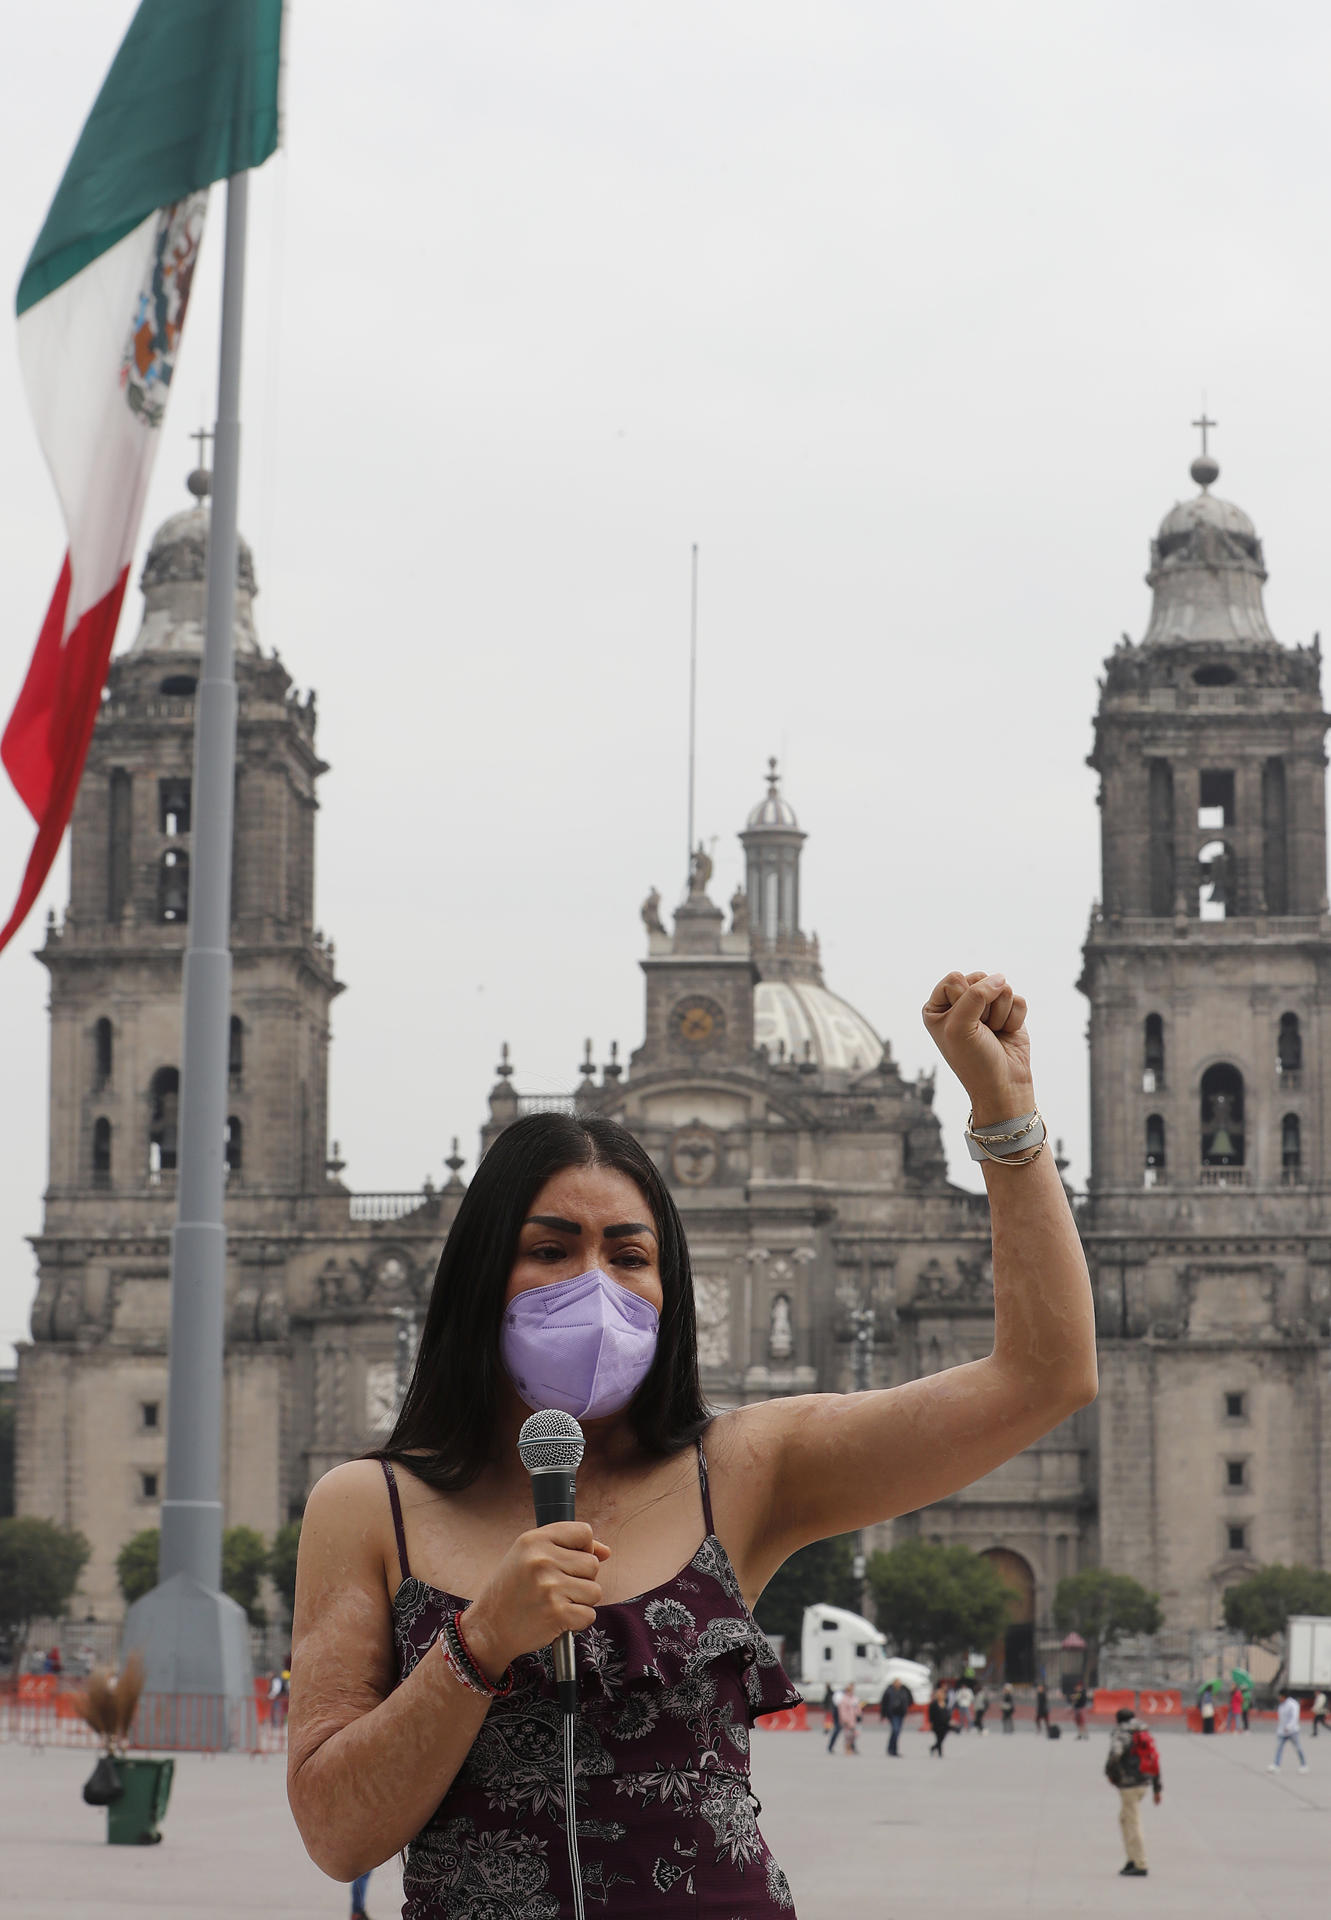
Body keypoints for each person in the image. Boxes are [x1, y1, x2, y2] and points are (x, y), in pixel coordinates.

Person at [287, 973, 1097, 1916]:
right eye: (551, 1250)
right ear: (476, 1275)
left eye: (630, 1256)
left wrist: (1006, 1111)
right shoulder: (369, 1506)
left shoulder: (744, 1471)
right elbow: (336, 1833)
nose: (596, 1285)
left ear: (673, 1294)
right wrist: (476, 1644)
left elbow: (1044, 1377)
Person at [1105, 1707, 1162, 1878]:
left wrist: (1111, 1773)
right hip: (1144, 1782)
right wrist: (1157, 1788)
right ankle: (1131, 1858)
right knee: (1124, 1819)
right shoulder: (1144, 1732)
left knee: (1132, 1823)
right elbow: (1154, 1759)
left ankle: (1140, 1863)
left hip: (1129, 1784)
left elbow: (1115, 1754)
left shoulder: (1121, 1733)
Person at [1269, 1689, 1309, 1773]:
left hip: (1292, 1731)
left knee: (1298, 1748)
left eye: (1280, 1696)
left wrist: (1289, 1726)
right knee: (1279, 1748)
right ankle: (1276, 1765)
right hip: (1282, 1731)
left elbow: (1295, 1717)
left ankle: (1304, 1765)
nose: (1279, 1698)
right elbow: (1281, 1719)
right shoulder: (1281, 1705)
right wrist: (1280, 1729)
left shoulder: (1293, 1704)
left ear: (1284, 1696)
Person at [880, 1677, 911, 1757]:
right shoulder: (889, 1691)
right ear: (894, 1683)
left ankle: (893, 1749)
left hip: (901, 1714)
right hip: (892, 1714)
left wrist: (906, 1709)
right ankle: (892, 1749)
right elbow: (884, 1703)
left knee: (897, 1732)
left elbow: (909, 1700)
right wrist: (883, 1715)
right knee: (895, 1730)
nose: (898, 1684)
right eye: (897, 1682)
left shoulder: (903, 1691)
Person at [928, 1681, 953, 1759]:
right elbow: (931, 1714)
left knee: (942, 1738)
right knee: (939, 1738)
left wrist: (950, 1720)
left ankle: (933, 1747)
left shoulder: (945, 1703)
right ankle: (939, 1752)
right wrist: (931, 1722)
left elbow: (947, 1713)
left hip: (944, 1724)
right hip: (936, 1724)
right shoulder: (933, 1704)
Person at [837, 1683, 860, 1755]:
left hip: (853, 1719)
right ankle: (847, 1748)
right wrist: (844, 1719)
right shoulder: (844, 1699)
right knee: (847, 1735)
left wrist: (859, 1714)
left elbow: (857, 1707)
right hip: (847, 1719)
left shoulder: (854, 1698)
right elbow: (842, 1711)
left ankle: (851, 1747)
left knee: (854, 1734)